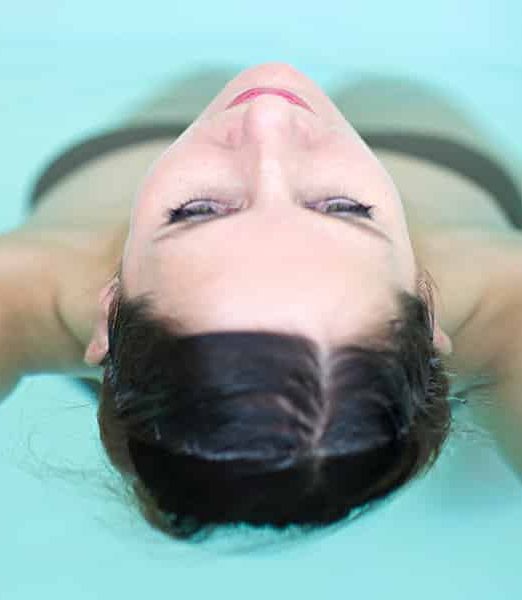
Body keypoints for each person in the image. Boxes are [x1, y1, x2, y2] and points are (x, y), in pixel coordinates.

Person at [2, 62, 522, 540]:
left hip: (127, 151)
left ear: (107, 312)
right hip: (432, 151)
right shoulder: (510, 310)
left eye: (196, 211)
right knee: (393, 88)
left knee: (205, 75)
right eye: (345, 209)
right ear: (429, 313)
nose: (268, 117)